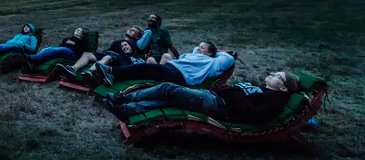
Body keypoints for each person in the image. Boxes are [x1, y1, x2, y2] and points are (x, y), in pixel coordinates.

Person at [100, 70, 300, 124]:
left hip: (218, 106)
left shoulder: (275, 99)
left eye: (278, 77)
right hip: (212, 97)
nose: (272, 74)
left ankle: (122, 99)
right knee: (169, 100)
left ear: (283, 88)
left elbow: (254, 114)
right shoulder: (261, 89)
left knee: (168, 88)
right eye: (275, 73)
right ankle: (127, 111)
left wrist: (233, 96)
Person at [88, 41, 235, 88]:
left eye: (203, 47)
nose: (199, 48)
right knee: (145, 70)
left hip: (180, 77)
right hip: (172, 68)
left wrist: (217, 51)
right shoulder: (195, 55)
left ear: (210, 53)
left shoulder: (213, 62)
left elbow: (229, 58)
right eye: (200, 46)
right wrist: (203, 49)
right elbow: (196, 49)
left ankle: (112, 72)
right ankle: (113, 75)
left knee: (145, 68)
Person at [56, 33, 145, 79]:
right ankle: (73, 69)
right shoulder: (120, 50)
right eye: (122, 46)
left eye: (126, 45)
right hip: (108, 53)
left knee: (107, 58)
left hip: (113, 58)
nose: (124, 47)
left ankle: (90, 72)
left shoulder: (135, 56)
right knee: (86, 54)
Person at [25, 27, 90, 68]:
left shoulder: (82, 41)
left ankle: (31, 58)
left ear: (82, 35)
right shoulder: (68, 38)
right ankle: (35, 63)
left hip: (72, 54)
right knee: (47, 49)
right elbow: (61, 44)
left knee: (55, 50)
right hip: (63, 51)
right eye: (77, 29)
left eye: (79, 30)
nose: (77, 30)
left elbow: (81, 50)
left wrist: (73, 43)